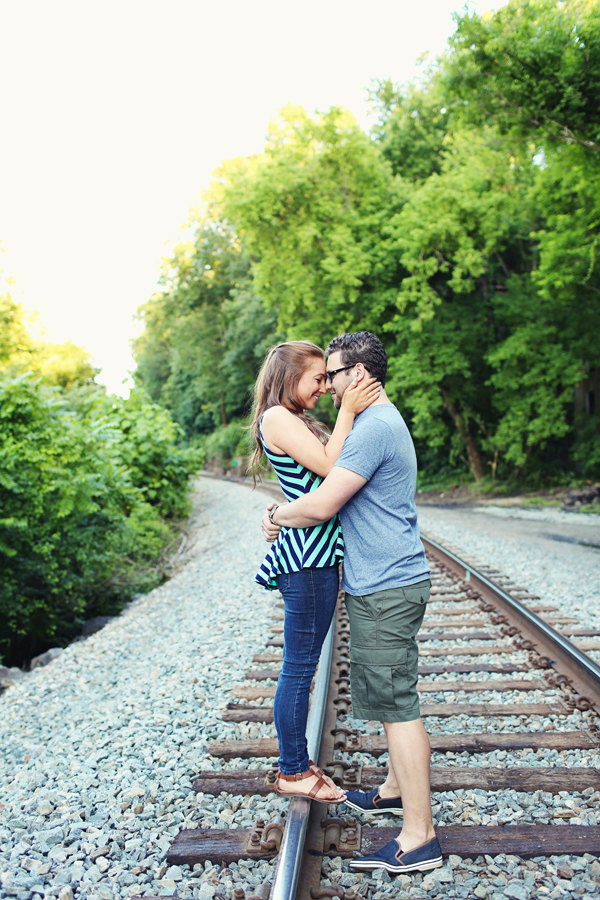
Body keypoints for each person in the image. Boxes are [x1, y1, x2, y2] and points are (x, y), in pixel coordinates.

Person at [261, 331, 443, 874]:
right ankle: (392, 789)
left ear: (357, 375)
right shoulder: (377, 424)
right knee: (389, 698)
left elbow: (321, 505)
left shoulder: (371, 429)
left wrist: (275, 518)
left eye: (333, 375)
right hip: (382, 582)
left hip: (387, 584)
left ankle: (419, 838)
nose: (328, 385)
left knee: (397, 707)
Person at [250, 340, 380, 803]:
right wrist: (347, 410)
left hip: (317, 556)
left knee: (301, 666)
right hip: (306, 560)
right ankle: (292, 770)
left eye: (329, 378)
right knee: (299, 668)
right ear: (289, 378)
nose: (325, 387)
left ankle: (297, 765)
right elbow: (329, 466)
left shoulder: (295, 418)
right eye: (318, 378)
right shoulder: (276, 417)